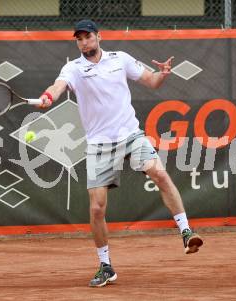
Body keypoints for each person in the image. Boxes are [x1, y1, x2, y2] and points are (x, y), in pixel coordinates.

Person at [38, 19, 203, 287]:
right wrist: (49, 95)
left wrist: (162, 74)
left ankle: (186, 232)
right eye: (78, 39)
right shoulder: (74, 68)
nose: (83, 42)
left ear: (98, 37)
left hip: (130, 135)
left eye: (87, 37)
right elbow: (59, 85)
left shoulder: (120, 59)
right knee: (96, 208)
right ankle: (105, 266)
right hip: (99, 144)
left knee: (159, 173)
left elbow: (151, 81)